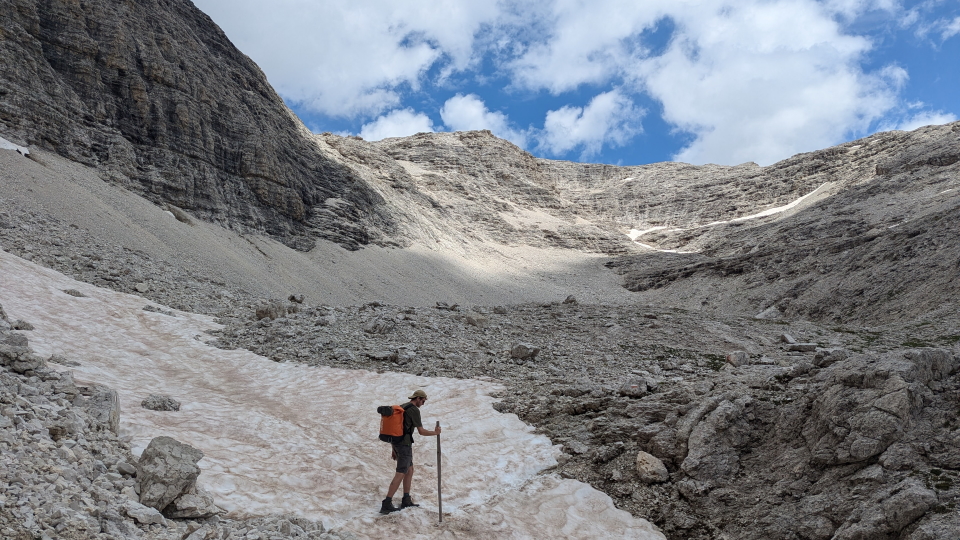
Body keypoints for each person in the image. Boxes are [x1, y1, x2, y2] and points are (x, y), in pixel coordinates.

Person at [380, 389, 441, 514]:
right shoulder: (414, 410)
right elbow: (421, 431)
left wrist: (393, 448)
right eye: (423, 401)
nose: (423, 404)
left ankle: (406, 499)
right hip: (404, 445)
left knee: (410, 469)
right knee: (401, 472)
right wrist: (436, 433)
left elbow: (395, 429)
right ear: (418, 398)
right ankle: (386, 503)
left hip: (397, 443)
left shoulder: (402, 407)